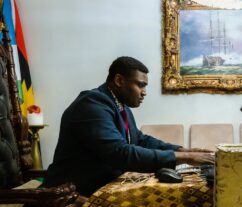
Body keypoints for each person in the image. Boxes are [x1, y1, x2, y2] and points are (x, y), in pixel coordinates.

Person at [43, 56, 214, 197]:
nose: (144, 92)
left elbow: (140, 140)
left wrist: (183, 150)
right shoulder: (92, 104)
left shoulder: (118, 105)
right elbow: (120, 153)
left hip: (100, 189)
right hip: (69, 196)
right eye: (140, 85)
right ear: (119, 80)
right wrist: (186, 158)